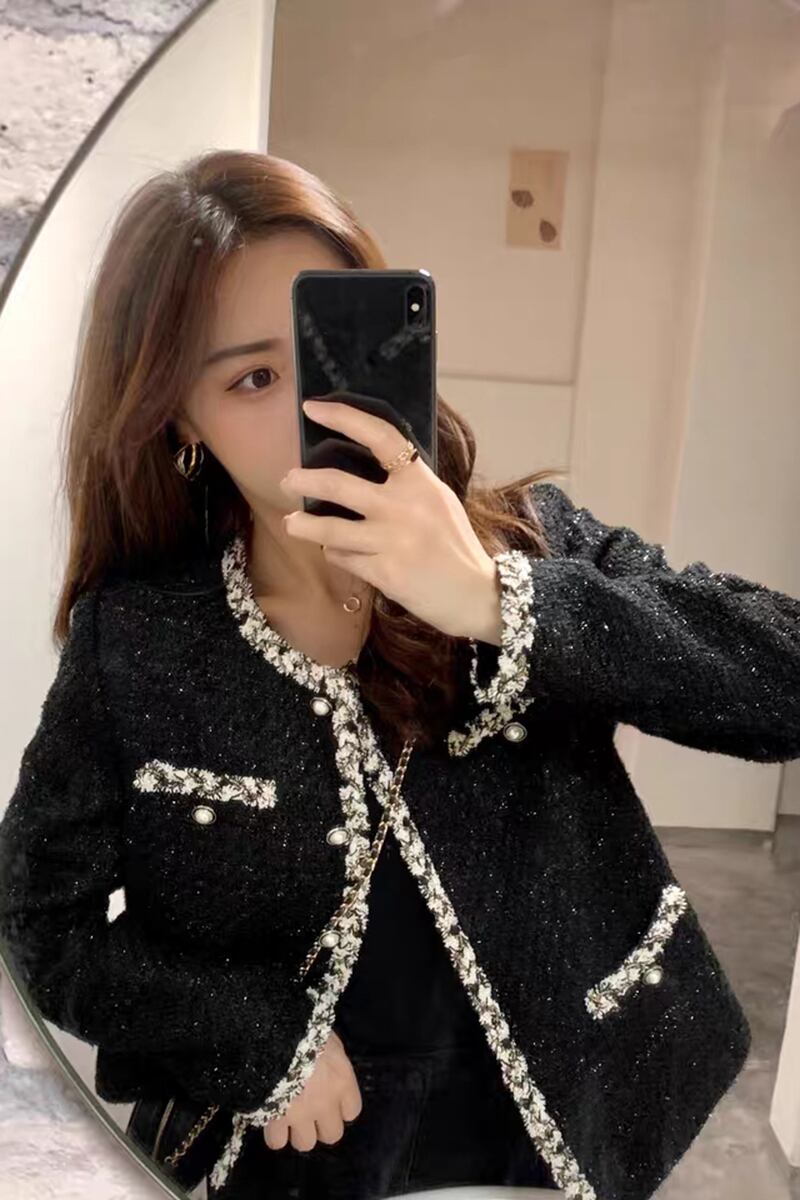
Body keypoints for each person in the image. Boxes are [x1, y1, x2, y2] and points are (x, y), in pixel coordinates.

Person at [1, 149, 798, 1200]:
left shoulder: (532, 547)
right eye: (251, 379)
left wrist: (497, 602)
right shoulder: (142, 640)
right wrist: (250, 1034)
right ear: (180, 416)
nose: (318, 412)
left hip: (561, 1141)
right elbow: (37, 923)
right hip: (286, 1157)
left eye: (335, 355)